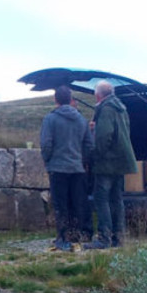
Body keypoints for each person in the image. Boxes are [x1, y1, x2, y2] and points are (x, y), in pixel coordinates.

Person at [40, 85, 93, 251]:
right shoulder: (81, 120)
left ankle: (63, 237)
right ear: (71, 100)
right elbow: (89, 145)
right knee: (79, 202)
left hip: (57, 167)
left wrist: (48, 161)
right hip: (77, 168)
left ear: (55, 99)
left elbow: (46, 144)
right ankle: (81, 234)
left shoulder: (50, 119)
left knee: (60, 205)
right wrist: (83, 161)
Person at [85, 81, 137, 249]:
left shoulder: (106, 109)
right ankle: (119, 237)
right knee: (116, 199)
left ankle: (104, 238)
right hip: (120, 162)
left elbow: (104, 137)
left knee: (101, 199)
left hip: (107, 162)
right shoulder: (120, 108)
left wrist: (94, 155)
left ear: (98, 95)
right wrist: (97, 127)